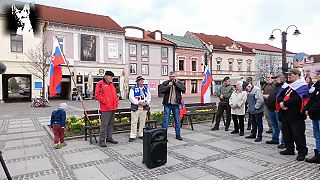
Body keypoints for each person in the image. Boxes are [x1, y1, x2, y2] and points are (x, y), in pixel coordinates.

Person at [277, 68, 309, 161]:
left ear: (298, 75)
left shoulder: (302, 86)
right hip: (285, 114)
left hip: (296, 115)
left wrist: (285, 103)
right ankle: (289, 149)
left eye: (291, 74)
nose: (289, 76)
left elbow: (297, 99)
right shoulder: (288, 85)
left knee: (298, 134)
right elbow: (280, 95)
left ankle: (302, 152)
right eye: (288, 74)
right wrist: (280, 103)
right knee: (287, 133)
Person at [95, 71, 119, 147]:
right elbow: (97, 95)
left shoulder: (111, 84)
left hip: (113, 107)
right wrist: (106, 101)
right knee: (104, 125)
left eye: (112, 77)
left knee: (111, 124)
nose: (112, 78)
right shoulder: (100, 83)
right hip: (105, 108)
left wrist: (116, 101)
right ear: (106, 76)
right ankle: (102, 140)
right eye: (110, 77)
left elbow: (114, 94)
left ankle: (109, 137)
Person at [160, 71, 186, 140]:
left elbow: (183, 89)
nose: (172, 78)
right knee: (166, 120)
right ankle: (164, 136)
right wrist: (168, 86)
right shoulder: (166, 83)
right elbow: (161, 90)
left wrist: (176, 84)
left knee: (177, 120)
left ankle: (178, 134)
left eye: (173, 76)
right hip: (167, 104)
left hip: (176, 104)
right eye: (170, 76)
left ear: (175, 76)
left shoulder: (179, 83)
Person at [129, 76, 151, 142]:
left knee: (142, 122)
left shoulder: (146, 88)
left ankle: (141, 134)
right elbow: (131, 98)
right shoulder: (133, 88)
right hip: (136, 107)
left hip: (144, 107)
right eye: (140, 80)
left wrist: (146, 102)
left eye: (142, 80)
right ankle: (133, 135)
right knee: (134, 122)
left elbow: (149, 96)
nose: (142, 81)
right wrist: (138, 102)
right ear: (137, 81)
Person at [265, 73, 285, 147]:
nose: (275, 79)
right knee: (274, 125)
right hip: (271, 108)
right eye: (275, 78)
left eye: (277, 78)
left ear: (282, 78)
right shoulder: (275, 86)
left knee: (281, 126)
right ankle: (275, 139)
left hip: (278, 109)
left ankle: (283, 142)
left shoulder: (284, 86)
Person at [304, 70, 320, 164]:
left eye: (317, 74)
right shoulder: (316, 85)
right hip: (315, 115)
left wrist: (309, 109)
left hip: (318, 113)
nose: (316, 75)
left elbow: (318, 103)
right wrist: (306, 108)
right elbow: (311, 99)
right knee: (317, 136)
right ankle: (318, 154)